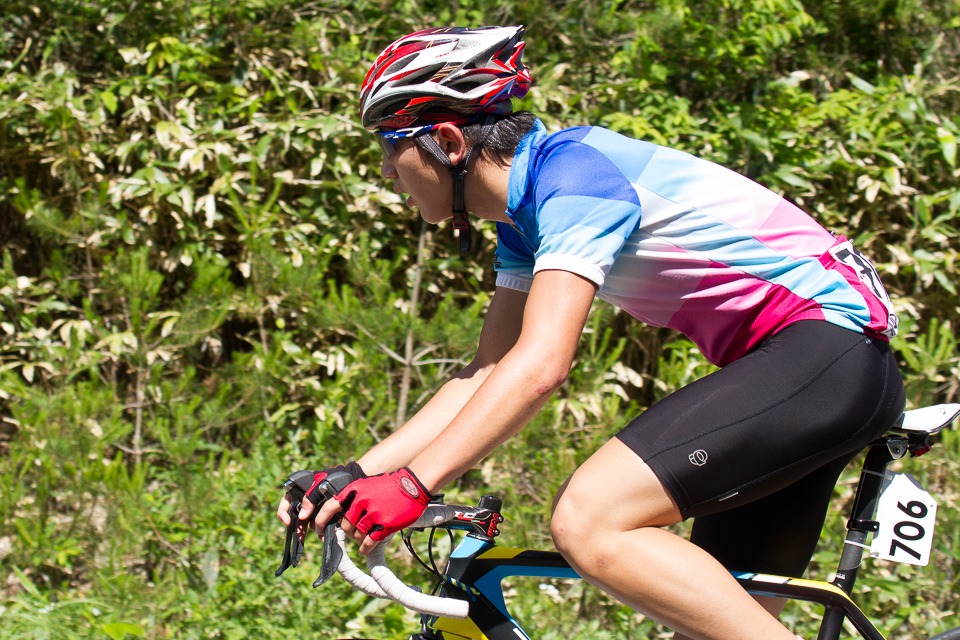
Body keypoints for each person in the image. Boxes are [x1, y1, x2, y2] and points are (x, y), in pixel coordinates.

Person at [276, 26, 906, 640]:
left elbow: (542, 364)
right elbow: (487, 371)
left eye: (390, 144)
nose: (387, 168)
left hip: (829, 352)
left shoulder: (575, 181)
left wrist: (416, 484)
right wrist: (355, 473)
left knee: (590, 520)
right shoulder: (526, 216)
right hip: (813, 371)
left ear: (446, 140)